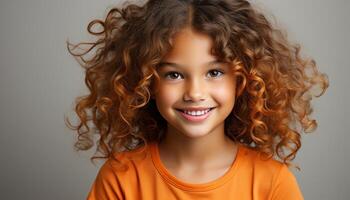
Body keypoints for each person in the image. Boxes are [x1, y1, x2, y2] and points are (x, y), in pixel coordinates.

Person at [66, 0, 329, 199]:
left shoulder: (271, 183)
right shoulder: (121, 179)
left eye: (214, 72)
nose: (195, 93)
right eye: (174, 74)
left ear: (242, 80)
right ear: (146, 81)